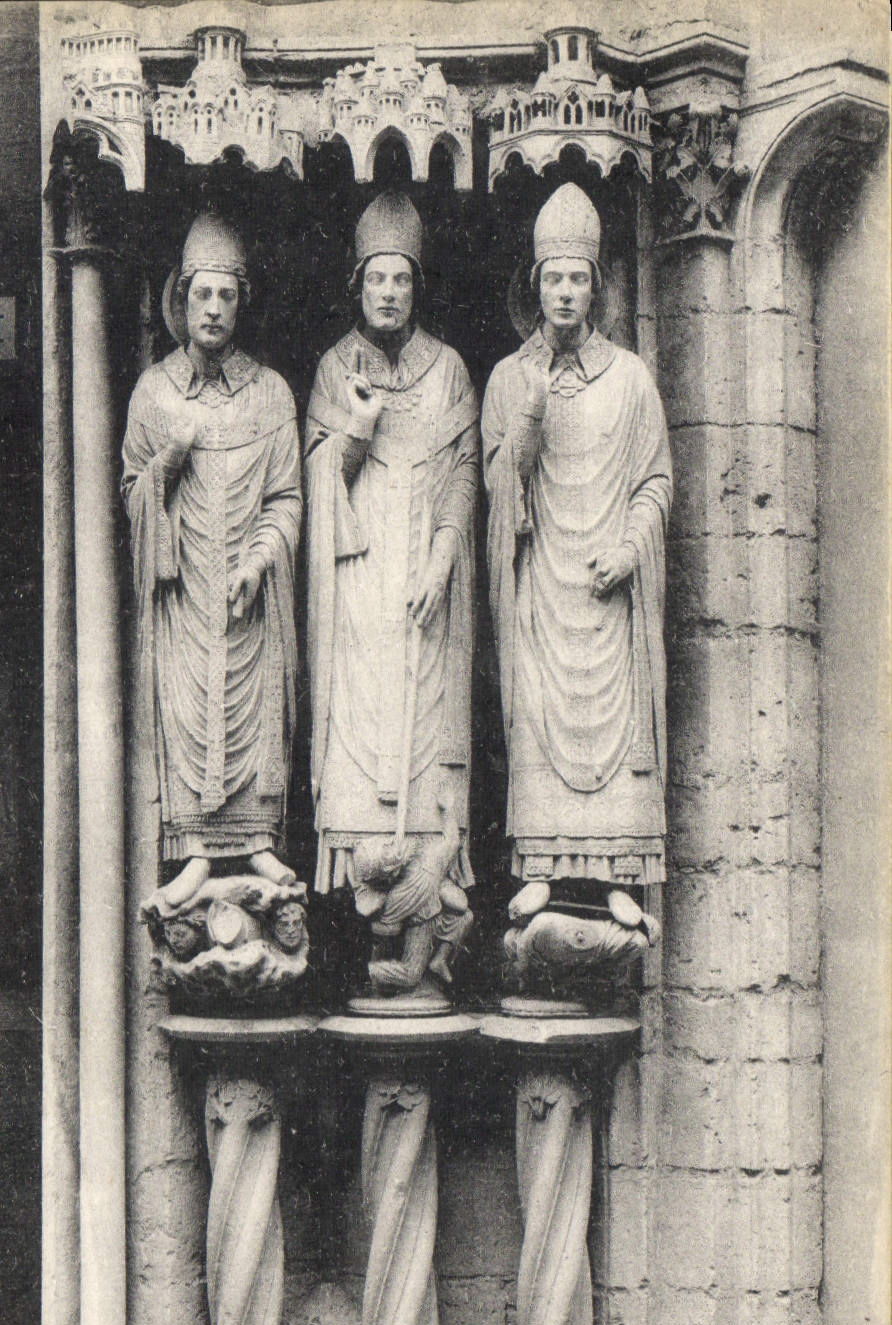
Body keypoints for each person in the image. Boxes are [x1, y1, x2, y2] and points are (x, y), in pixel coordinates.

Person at [481, 183, 672, 918]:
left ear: (597, 286)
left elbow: (656, 481)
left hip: (608, 587)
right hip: (540, 583)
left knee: (615, 726)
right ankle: (545, 866)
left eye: (578, 278)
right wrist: (530, 405)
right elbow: (502, 485)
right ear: (535, 286)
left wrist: (629, 550)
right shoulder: (506, 377)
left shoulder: (630, 380)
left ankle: (617, 876)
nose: (565, 293)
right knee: (539, 714)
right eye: (553, 278)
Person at [304, 192, 478, 996]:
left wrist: (445, 556)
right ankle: (375, 912)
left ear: (417, 286)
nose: (388, 292)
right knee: (364, 729)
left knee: (425, 727)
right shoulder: (334, 370)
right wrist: (360, 429)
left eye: (400, 279)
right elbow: (317, 487)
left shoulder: (448, 371)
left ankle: (424, 909)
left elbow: (463, 478)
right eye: (376, 278)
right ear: (355, 285)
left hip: (424, 589)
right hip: (360, 584)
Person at [122, 213, 302, 917]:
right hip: (184, 596)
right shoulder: (153, 393)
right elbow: (132, 490)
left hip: (246, 598)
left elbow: (286, 498)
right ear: (182, 298)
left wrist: (258, 563)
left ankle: (257, 837)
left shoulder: (271, 394)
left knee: (254, 710)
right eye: (203, 295)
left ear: (242, 302)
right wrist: (169, 458)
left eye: (227, 296)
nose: (215, 309)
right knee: (187, 708)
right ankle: (194, 849)